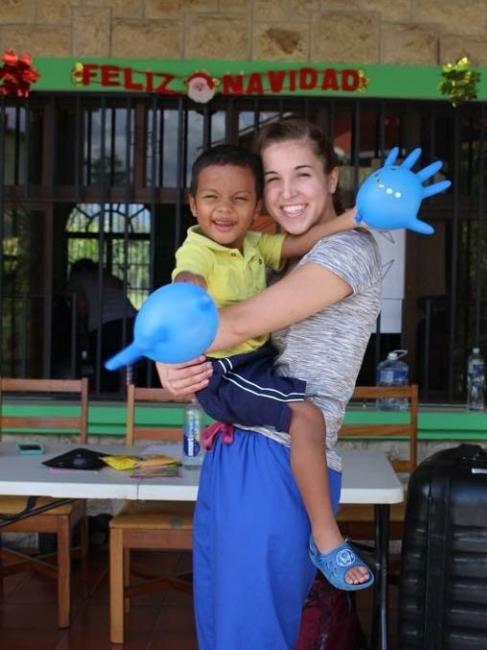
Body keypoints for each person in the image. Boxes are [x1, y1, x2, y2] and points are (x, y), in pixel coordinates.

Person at [157, 118, 383, 649]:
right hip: (239, 437)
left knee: (251, 633)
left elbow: (233, 326)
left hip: (280, 456)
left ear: (331, 178)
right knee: (221, 624)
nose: (287, 193)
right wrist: (180, 362)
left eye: (301, 174)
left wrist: (171, 352)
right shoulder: (266, 254)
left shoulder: (346, 251)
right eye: (274, 179)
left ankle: (327, 541)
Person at [67, 258, 137, 393]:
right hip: (132, 322)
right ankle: (133, 399)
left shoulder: (77, 279)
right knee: (130, 368)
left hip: (105, 325)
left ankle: (107, 402)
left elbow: (81, 307)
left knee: (106, 369)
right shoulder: (109, 278)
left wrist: (81, 327)